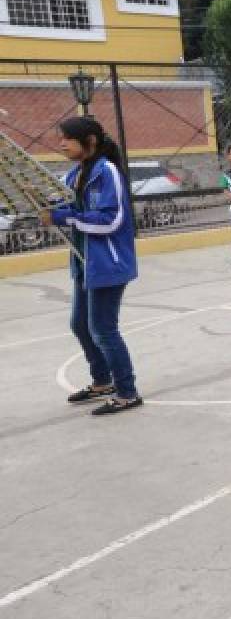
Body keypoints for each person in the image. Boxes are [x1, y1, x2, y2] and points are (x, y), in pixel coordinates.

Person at [41, 116, 142, 415]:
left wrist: (63, 218)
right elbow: (66, 205)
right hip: (85, 261)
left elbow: (111, 220)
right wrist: (50, 209)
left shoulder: (107, 171)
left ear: (90, 141)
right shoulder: (76, 173)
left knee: (103, 329)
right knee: (80, 325)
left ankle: (127, 391)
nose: (61, 144)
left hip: (108, 262)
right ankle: (102, 381)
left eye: (67, 139)